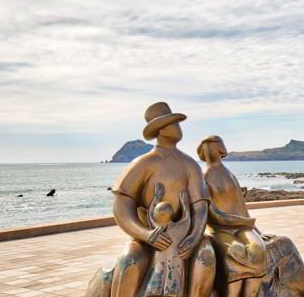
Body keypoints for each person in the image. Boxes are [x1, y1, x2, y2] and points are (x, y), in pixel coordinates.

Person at [108, 102, 216, 296]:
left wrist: (194, 236)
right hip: (149, 237)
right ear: (161, 129)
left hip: (184, 236)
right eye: (174, 123)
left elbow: (200, 207)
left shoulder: (190, 165)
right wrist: (146, 234)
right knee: (129, 259)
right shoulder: (143, 163)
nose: (178, 127)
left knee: (206, 255)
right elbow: (121, 207)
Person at [197, 135, 267, 297]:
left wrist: (258, 231)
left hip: (241, 227)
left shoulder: (228, 174)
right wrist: (239, 221)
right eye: (211, 146)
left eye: (215, 145)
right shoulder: (204, 176)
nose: (215, 149)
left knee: (258, 250)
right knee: (235, 251)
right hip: (220, 230)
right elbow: (211, 213)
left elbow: (241, 207)